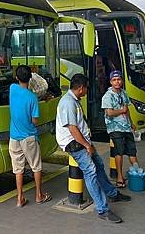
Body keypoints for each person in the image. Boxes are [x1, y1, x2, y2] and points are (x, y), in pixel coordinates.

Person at [56, 73, 131, 223]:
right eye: (86, 88)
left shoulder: (74, 100)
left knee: (99, 165)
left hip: (82, 140)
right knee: (90, 171)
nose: (86, 91)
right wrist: (87, 145)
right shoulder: (68, 103)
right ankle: (103, 209)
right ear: (81, 88)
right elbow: (72, 129)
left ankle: (112, 193)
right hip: (74, 142)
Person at [101, 70, 145, 188]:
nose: (117, 82)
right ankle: (120, 177)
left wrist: (131, 123)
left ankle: (139, 173)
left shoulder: (124, 93)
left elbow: (127, 109)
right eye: (114, 80)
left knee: (132, 152)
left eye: (119, 79)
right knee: (119, 152)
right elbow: (109, 113)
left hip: (126, 127)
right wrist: (122, 111)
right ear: (110, 82)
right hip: (115, 128)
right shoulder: (107, 96)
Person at [8, 65, 51, 207]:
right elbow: (34, 120)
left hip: (14, 137)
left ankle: (20, 198)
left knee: (18, 169)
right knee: (36, 167)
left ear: (16, 77)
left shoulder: (12, 89)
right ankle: (39, 195)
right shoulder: (32, 98)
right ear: (30, 78)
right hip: (29, 137)